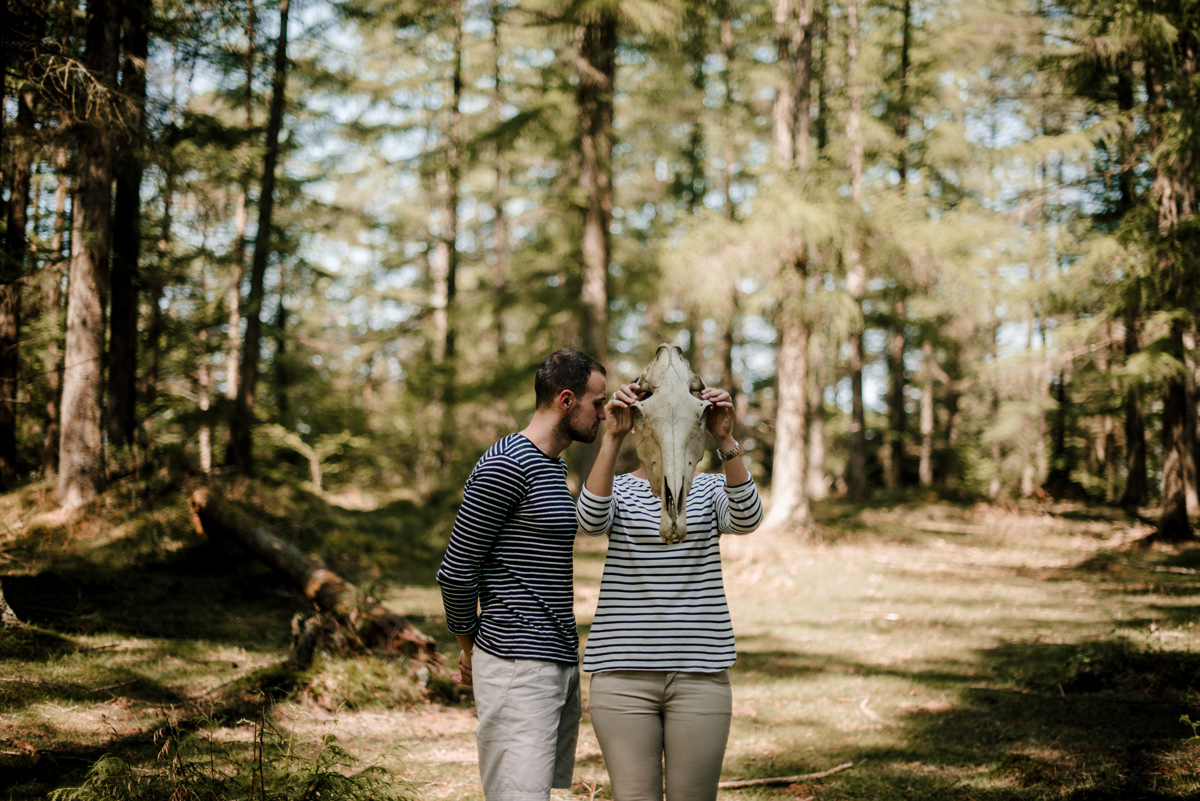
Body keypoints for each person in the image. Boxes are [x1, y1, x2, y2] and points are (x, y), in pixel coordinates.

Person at [576, 381, 763, 801]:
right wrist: (613, 435)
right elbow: (589, 521)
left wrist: (726, 439)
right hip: (622, 677)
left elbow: (748, 518)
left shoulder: (710, 489)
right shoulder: (620, 489)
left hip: (701, 675)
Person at [436, 348, 607, 801]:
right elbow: (456, 571)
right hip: (517, 664)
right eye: (597, 403)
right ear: (566, 400)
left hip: (555, 661)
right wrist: (470, 648)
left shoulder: (552, 465)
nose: (603, 414)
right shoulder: (506, 464)